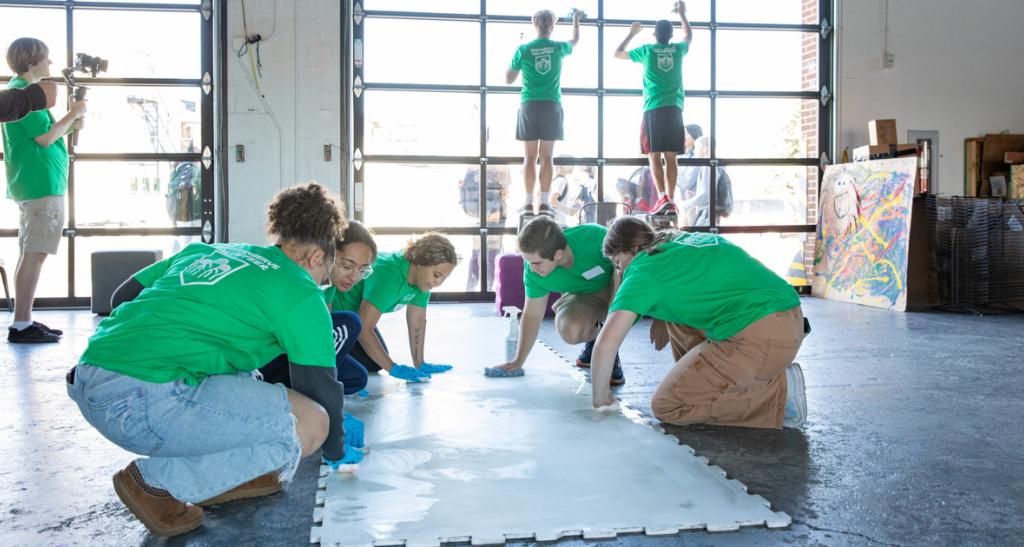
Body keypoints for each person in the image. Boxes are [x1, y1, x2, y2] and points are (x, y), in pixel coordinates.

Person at [67, 183, 359, 537]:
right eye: (325, 273)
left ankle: (234, 474)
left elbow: (121, 296)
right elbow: (319, 387)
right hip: (144, 405)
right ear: (316, 258)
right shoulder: (299, 289)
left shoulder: (210, 252)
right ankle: (155, 484)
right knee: (308, 426)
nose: (322, 283)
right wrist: (336, 448)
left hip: (88, 378)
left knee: (247, 377)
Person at [588, 216, 809, 430]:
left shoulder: (641, 271)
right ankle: (710, 382)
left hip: (761, 338)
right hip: (788, 318)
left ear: (632, 250)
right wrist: (660, 315)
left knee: (668, 406)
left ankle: (779, 394)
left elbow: (606, 345)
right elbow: (691, 281)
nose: (620, 272)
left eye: (618, 263)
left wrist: (601, 401)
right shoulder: (675, 239)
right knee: (678, 320)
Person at [3, 38, 87, 343]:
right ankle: (22, 325)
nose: (51, 65)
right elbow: (46, 138)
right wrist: (73, 112)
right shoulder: (26, 96)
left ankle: (22, 321)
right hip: (40, 184)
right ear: (32, 61)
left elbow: (48, 133)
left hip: (34, 183)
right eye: (47, 59)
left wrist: (72, 120)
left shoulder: (21, 94)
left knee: (30, 253)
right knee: (35, 254)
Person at [486, 215, 624, 385]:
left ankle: (609, 346)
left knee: (617, 300)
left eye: (536, 262)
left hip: (618, 287)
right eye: (527, 261)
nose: (532, 268)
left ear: (558, 254)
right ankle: (595, 338)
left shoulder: (595, 237)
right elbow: (532, 315)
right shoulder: (533, 271)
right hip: (583, 297)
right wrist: (518, 361)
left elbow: (627, 265)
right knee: (570, 330)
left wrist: (613, 316)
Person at [259, 220, 378, 396]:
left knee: (357, 377)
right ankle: (310, 390)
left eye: (362, 270)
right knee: (350, 323)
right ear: (327, 254)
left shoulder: (329, 284)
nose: (354, 276)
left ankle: (292, 384)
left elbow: (325, 325)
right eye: (347, 266)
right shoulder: (300, 277)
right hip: (267, 354)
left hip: (293, 348)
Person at [339, 233, 458, 382]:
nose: (438, 283)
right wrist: (393, 368)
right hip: (336, 314)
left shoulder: (422, 283)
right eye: (436, 275)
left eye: (444, 278)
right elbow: (363, 329)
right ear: (421, 262)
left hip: (357, 316)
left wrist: (419, 363)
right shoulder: (390, 275)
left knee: (374, 363)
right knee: (357, 369)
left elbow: (417, 322)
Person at [614, 1, 692, 216]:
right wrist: (683, 15)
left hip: (654, 109)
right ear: (670, 35)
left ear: (654, 35)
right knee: (671, 158)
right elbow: (689, 37)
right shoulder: (677, 49)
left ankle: (662, 198)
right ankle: (671, 200)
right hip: (675, 109)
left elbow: (618, 53)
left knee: (653, 156)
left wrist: (631, 33)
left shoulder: (647, 50)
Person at [507, 8, 581, 215]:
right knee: (547, 157)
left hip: (529, 104)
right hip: (551, 104)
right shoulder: (558, 48)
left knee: (529, 157)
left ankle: (530, 201)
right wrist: (575, 21)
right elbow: (575, 40)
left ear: (534, 24)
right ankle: (546, 202)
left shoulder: (524, 49)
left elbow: (508, 78)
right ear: (553, 25)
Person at [459, 166, 510, 291]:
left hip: (476, 215)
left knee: (476, 251)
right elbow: (505, 193)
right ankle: (488, 287)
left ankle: (471, 285)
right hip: (495, 216)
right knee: (492, 253)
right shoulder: (501, 167)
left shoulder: (472, 167)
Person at [675, 123, 703, 207]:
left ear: (694, 136)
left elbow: (687, 183)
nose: (682, 136)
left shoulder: (698, 156)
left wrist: (671, 176)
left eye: (685, 134)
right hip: (684, 201)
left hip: (695, 203)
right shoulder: (681, 155)